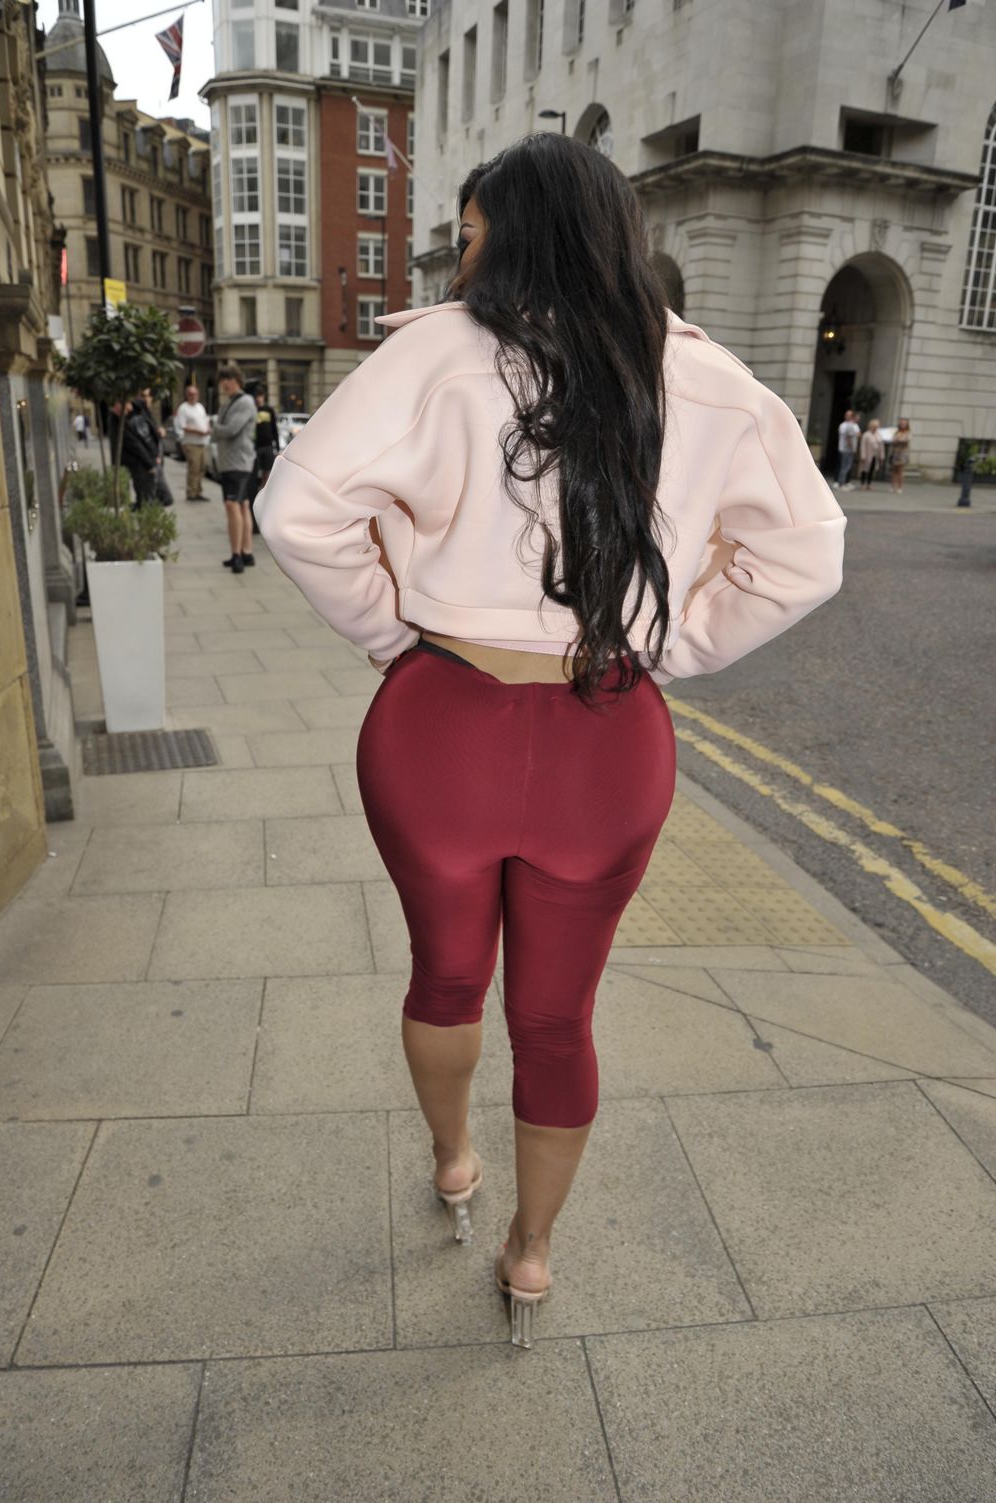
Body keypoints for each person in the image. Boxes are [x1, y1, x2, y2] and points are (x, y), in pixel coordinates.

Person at [254, 133, 846, 1349]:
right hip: (606, 734)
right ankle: (530, 1253)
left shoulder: (431, 353)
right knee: (558, 1018)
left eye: (471, 232)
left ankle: (453, 1161)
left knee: (444, 975)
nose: (463, 257)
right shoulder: (706, 376)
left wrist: (390, 632)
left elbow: (296, 510)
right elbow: (805, 557)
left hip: (440, 724)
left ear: (511, 234)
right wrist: (672, 646)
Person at [212, 363, 257, 574]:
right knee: (242, 505)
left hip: (238, 461)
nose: (225, 384)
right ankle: (246, 552)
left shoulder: (245, 401)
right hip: (231, 462)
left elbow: (230, 429)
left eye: (228, 379)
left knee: (232, 505)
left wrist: (214, 427)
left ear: (237, 380)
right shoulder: (228, 403)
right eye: (222, 380)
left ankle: (237, 555)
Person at [107, 398, 158, 508]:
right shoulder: (119, 423)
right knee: (142, 496)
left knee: (137, 496)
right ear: (117, 404)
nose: (129, 408)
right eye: (127, 404)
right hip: (132, 463)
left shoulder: (119, 420)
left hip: (127, 463)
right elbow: (135, 444)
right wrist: (149, 464)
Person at [131, 388, 174, 507]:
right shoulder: (138, 417)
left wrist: (158, 431)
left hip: (153, 464)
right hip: (149, 465)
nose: (146, 399)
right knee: (158, 499)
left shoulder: (147, 414)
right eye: (143, 396)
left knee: (150, 500)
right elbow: (143, 441)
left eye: (148, 396)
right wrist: (152, 460)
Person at [245, 382, 280, 524]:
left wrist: (276, 446)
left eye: (260, 396)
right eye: (256, 396)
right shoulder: (252, 410)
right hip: (256, 447)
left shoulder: (269, 410)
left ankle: (265, 493)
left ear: (263, 397)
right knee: (256, 473)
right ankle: (257, 494)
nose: (258, 399)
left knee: (267, 471)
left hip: (268, 446)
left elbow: (274, 428)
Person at [175, 383, 211, 502]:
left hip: (202, 442)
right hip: (191, 443)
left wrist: (207, 428)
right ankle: (191, 492)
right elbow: (182, 426)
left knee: (202, 467)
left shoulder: (200, 407)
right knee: (194, 468)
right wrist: (198, 431)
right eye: (191, 394)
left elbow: (205, 420)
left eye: (195, 394)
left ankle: (198, 491)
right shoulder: (183, 408)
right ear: (187, 395)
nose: (193, 396)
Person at [834, 408, 860, 491]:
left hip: (848, 449)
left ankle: (843, 482)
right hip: (846, 449)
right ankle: (841, 483)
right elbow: (848, 436)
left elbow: (858, 434)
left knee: (847, 466)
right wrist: (852, 447)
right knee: (844, 467)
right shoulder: (848, 425)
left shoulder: (853, 425)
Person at [858, 418, 885, 489]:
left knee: (872, 469)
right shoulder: (866, 435)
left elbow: (881, 446)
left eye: (876, 427)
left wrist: (882, 456)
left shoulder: (879, 435)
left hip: (875, 455)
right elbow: (863, 446)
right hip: (867, 455)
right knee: (864, 469)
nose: (875, 428)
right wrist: (863, 455)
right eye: (874, 426)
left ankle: (869, 484)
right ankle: (862, 483)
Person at [889, 417, 911, 493]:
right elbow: (893, 440)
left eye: (904, 424)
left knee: (900, 471)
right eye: (901, 423)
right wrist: (898, 440)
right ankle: (893, 486)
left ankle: (900, 487)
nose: (902, 425)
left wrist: (899, 440)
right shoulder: (897, 432)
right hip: (895, 453)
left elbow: (906, 440)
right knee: (894, 470)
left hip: (902, 453)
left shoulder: (908, 432)